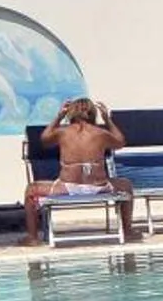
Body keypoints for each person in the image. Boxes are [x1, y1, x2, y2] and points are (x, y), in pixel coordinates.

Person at [23, 97, 134, 246]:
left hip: (67, 187)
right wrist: (108, 120)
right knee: (126, 185)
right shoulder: (100, 133)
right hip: (99, 187)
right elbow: (120, 142)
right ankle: (127, 232)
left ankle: (32, 238)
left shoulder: (63, 133)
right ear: (93, 114)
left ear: (71, 113)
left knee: (31, 190)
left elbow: (44, 140)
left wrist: (58, 117)